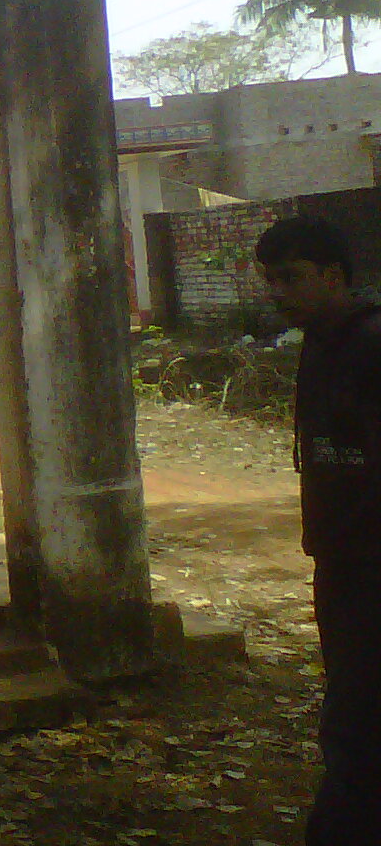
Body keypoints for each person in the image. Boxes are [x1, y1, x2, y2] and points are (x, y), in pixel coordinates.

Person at [255, 215, 381, 846]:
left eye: (292, 277)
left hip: (372, 564)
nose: (277, 291)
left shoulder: (370, 344)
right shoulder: (319, 343)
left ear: (335, 277)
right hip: (341, 563)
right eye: (271, 279)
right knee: (353, 713)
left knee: (356, 723)